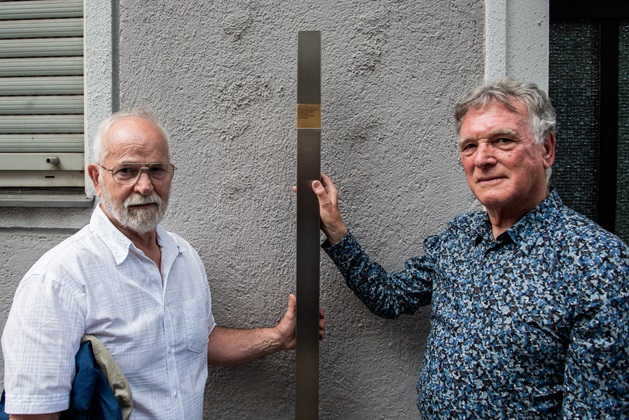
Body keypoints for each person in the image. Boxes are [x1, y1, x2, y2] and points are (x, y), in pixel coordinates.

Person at [311, 78, 629, 417]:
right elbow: (390, 297)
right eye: (469, 147)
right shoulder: (459, 236)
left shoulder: (597, 262)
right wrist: (335, 228)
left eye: (503, 140)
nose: (483, 159)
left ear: (546, 149)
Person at [1, 110, 325, 419]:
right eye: (126, 171)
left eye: (156, 170)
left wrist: (278, 338)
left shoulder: (183, 257)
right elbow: (33, 413)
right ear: (96, 178)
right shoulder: (57, 279)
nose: (145, 186)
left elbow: (199, 341)